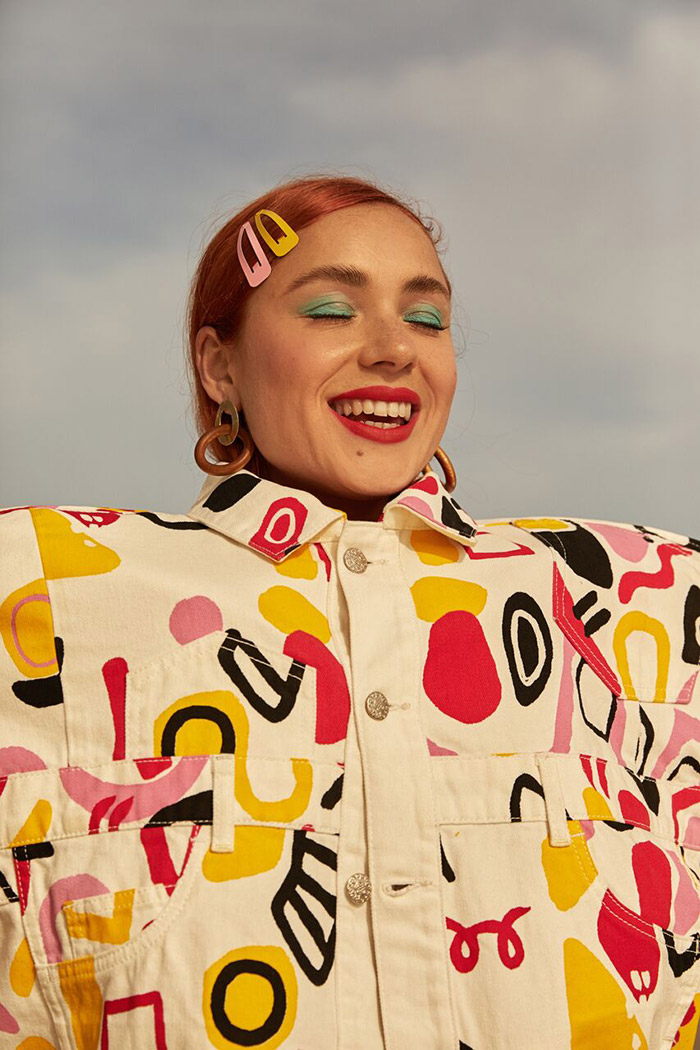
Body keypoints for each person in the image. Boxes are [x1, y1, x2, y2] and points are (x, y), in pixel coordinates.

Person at [0, 173, 698, 1050]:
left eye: (427, 319)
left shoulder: (641, 595)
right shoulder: (43, 583)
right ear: (220, 366)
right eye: (332, 310)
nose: (394, 349)